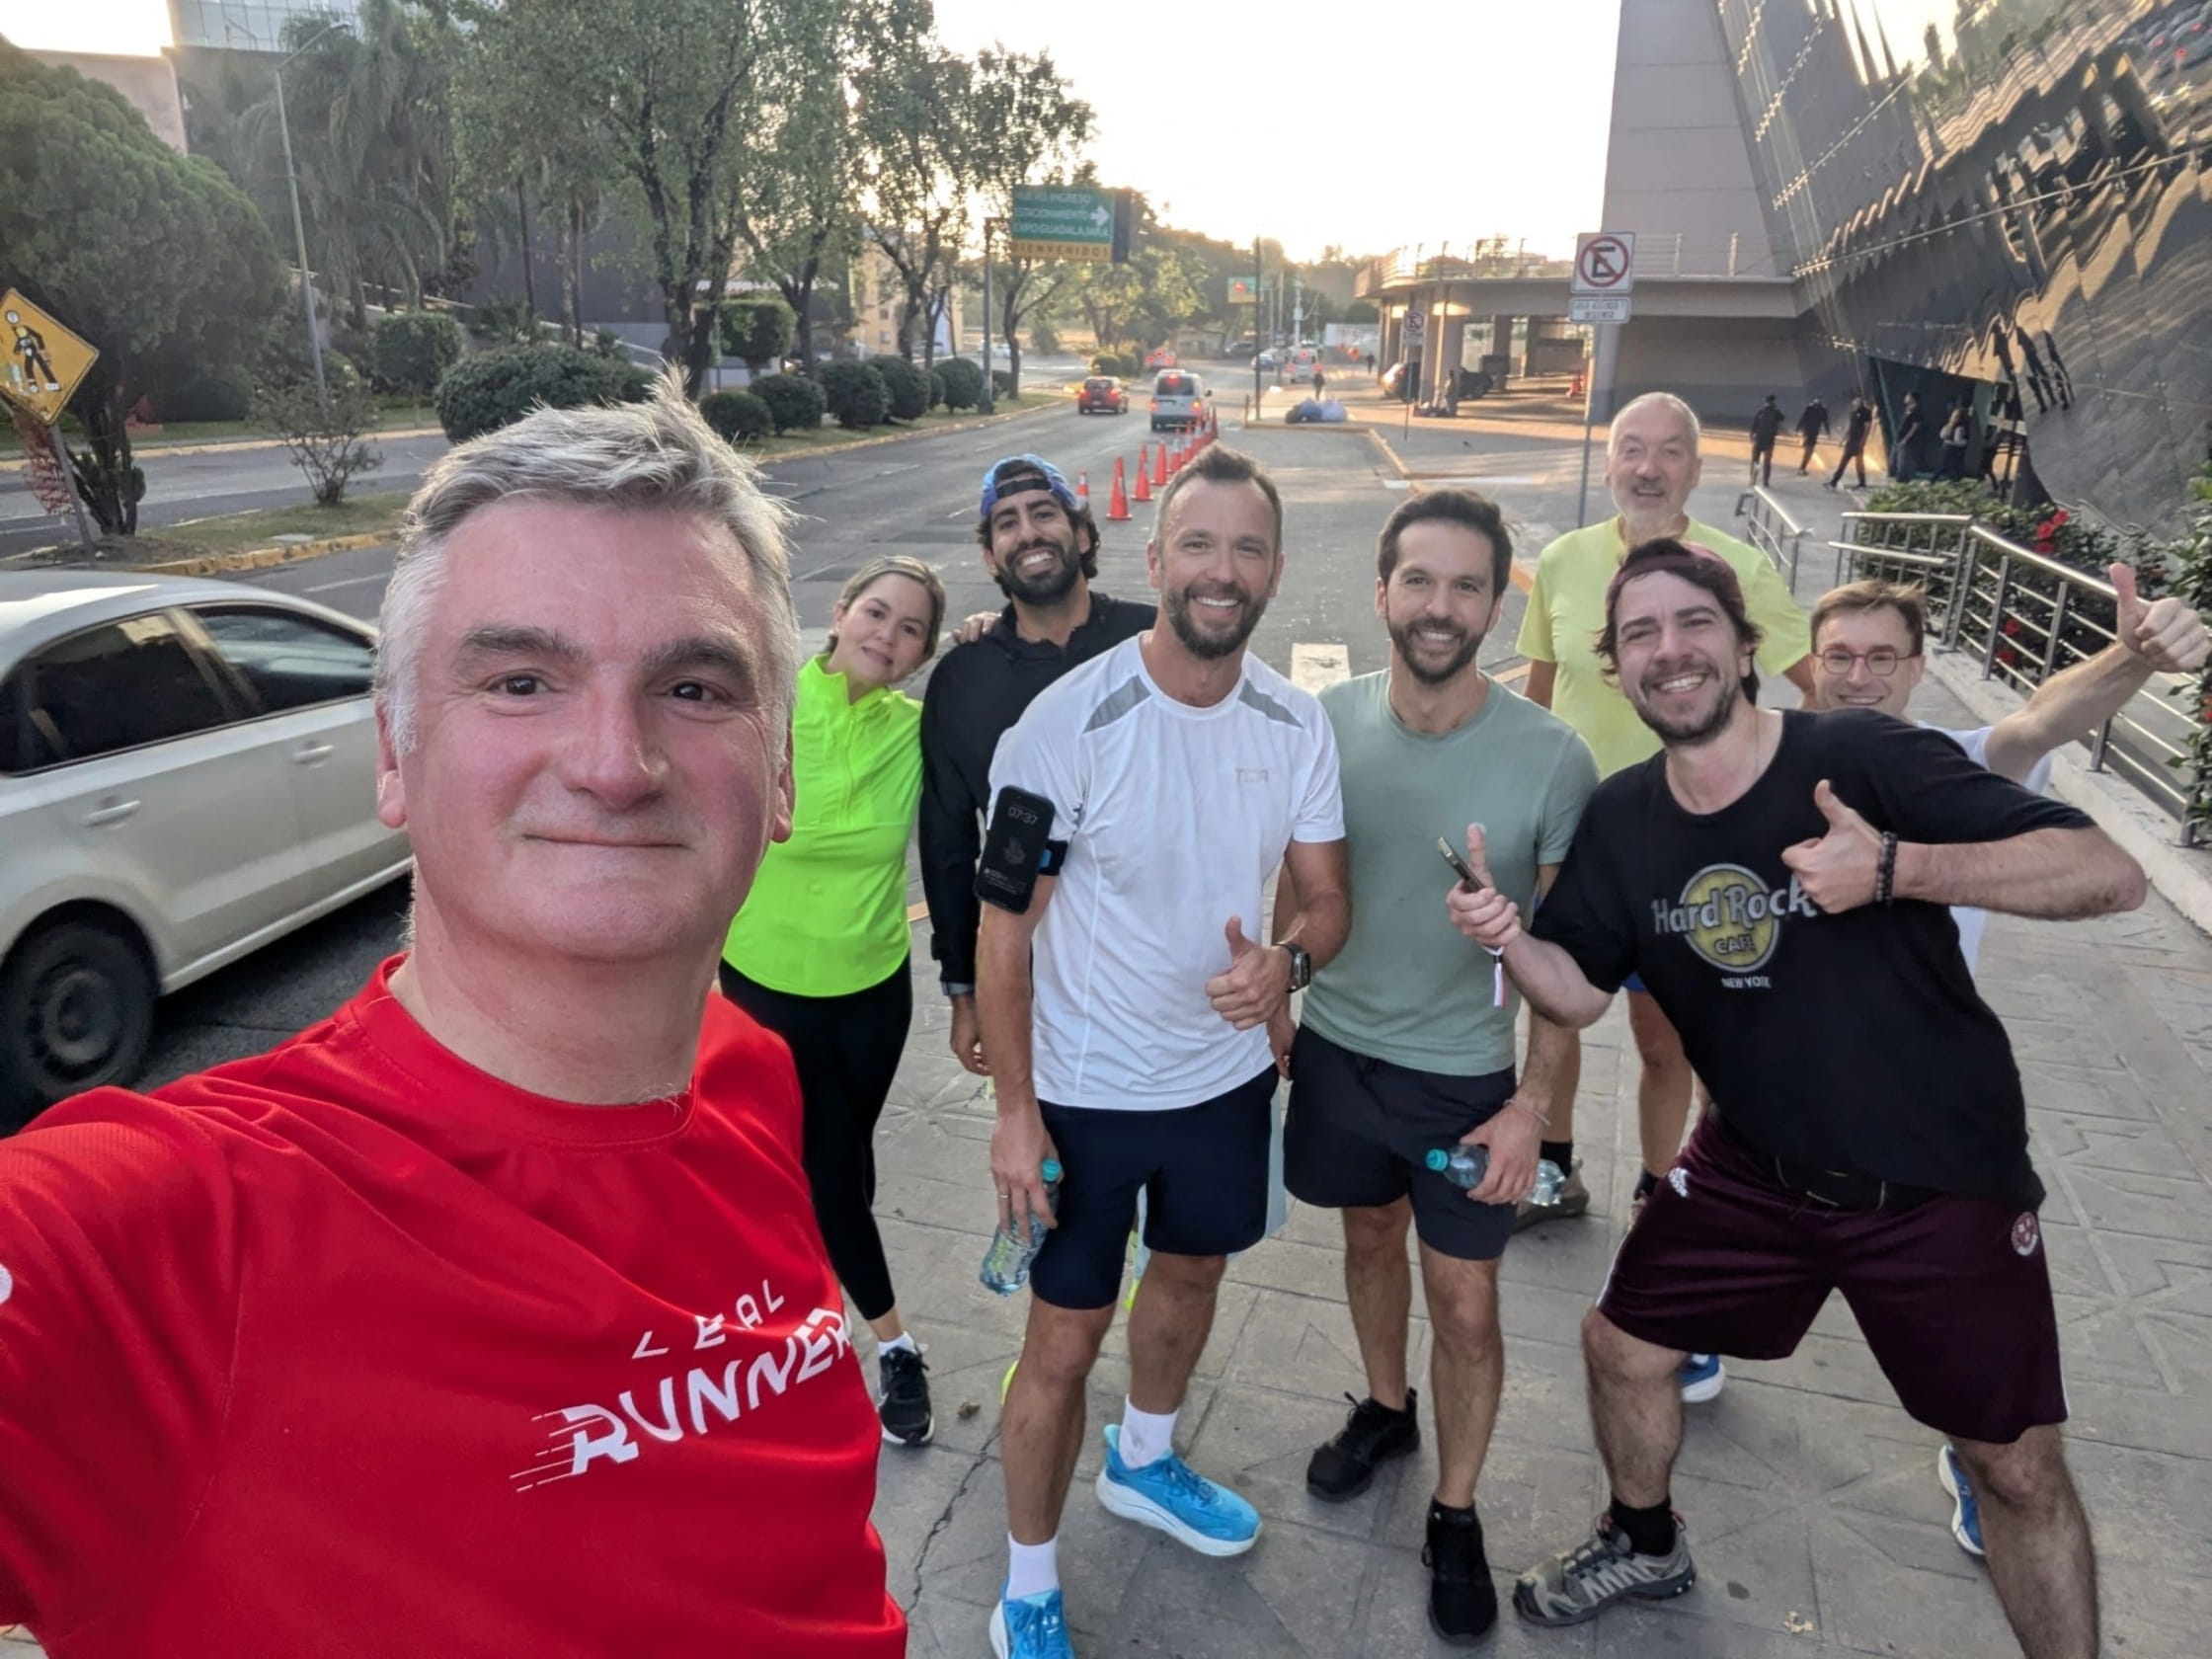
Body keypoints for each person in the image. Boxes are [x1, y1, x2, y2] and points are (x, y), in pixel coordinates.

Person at [0, 381, 906, 1655]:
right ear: (391, 750)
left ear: (782, 776)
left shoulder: (746, 1076)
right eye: (522, 679)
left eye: (695, 689)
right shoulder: (166, 1228)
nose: (611, 760)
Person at [1450, 538, 2145, 1657]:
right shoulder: (1625, 821)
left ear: (1741, 647)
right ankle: (1643, 1538)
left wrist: (1896, 871)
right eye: (1639, 634)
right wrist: (1506, 936)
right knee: (1620, 1348)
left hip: (1935, 1178)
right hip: (1749, 1165)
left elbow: (2106, 873)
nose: (1667, 651)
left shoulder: (1859, 755)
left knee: (2011, 1464)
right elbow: (1573, 994)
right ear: (1615, 666)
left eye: (1690, 625)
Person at [978, 445, 1350, 1659]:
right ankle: (1027, 1580)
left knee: (1192, 1281)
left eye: (1246, 548)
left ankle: (1142, 1461)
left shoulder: (1295, 724)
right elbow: (1002, 932)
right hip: (1084, 1097)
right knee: (1062, 1340)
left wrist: (1284, 965)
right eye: (1198, 544)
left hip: (1224, 1086)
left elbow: (1325, 904)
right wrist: (1016, 1118)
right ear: (1152, 559)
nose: (1221, 570)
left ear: (1275, 571)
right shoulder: (1063, 725)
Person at [1806, 573, 2207, 1559]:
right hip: (1775, 1094)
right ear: (1809, 665)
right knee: (1697, 1264)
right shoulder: (1769, 761)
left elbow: (2039, 720)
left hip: (1927, 1111)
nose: (1859, 676)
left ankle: (1978, 1453)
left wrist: (2134, 657)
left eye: (1881, 657)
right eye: (1839, 656)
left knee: (1962, 1322)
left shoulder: (1955, 766)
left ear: (1915, 667)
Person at [1278, 490, 1597, 1643]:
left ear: (1495, 603)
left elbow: (1568, 964)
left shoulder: (1552, 757)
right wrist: (1278, 996)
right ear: (1380, 593)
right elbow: (1295, 875)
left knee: (1464, 1303)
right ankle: (1384, 1408)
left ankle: (1454, 1512)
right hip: (1338, 1054)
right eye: (1418, 580)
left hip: (1467, 1080)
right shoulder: (1324, 720)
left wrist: (1531, 1107)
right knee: (1364, 1238)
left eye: (1467, 585)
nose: (1439, 605)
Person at [1516, 393, 1814, 1355]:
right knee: (1552, 1016)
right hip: (1571, 841)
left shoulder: (1742, 572)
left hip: (1686, 848)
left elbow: (1810, 694)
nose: (1647, 467)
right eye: (1630, 450)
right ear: (1609, 463)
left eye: (1669, 452)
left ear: (1697, 467)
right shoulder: (1563, 563)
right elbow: (1533, 696)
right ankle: (1550, 1170)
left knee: (1665, 1042)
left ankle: (1665, 1195)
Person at [720, 553, 947, 1447]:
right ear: (841, 611)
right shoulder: (770, 709)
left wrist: (978, 642)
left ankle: (817, 1303)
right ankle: (896, 1346)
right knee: (823, 1166)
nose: (887, 636)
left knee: (845, 1165)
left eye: (912, 629)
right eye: (877, 613)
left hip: (875, 989)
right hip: (767, 986)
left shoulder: (917, 731)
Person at [919, 454, 1153, 1077]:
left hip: (1169, 974)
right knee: (1049, 1169)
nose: (1027, 533)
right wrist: (962, 989)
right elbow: (948, 844)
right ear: (992, 557)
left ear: (1080, 534)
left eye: (1044, 514)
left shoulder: (1156, 642)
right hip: (1032, 992)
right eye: (1007, 523)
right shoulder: (963, 678)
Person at [1828, 394, 1874, 489]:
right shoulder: (1852, 412)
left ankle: (1861, 483)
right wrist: (1843, 439)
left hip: (1858, 441)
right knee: (1843, 462)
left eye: (1859, 401)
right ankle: (1834, 482)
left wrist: (1863, 441)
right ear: (1853, 402)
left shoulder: (1866, 412)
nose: (1857, 403)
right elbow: (1850, 427)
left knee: (1859, 463)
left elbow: (1868, 427)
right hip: (1850, 441)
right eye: (1856, 401)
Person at [1747, 394, 1783, 486]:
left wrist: (1751, 435)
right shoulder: (1763, 412)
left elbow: (1782, 418)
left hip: (1763, 440)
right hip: (1765, 440)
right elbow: (1755, 424)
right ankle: (1760, 480)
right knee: (1761, 461)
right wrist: (1751, 435)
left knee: (1759, 461)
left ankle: (1758, 480)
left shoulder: (1769, 412)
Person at [1891, 390, 1927, 480]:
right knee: (1896, 461)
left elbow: (1914, 427)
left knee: (1904, 462)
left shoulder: (1917, 410)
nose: (1905, 398)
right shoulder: (1907, 409)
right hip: (1899, 438)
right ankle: (1899, 477)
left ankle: (1904, 480)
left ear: (1912, 398)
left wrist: (1905, 439)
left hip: (1908, 441)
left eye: (1907, 396)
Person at [1938, 400, 1974, 479]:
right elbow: (1958, 441)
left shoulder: (1950, 426)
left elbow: (1942, 435)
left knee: (1943, 466)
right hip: (1953, 450)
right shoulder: (1959, 428)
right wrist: (1965, 442)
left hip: (1946, 448)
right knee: (1951, 467)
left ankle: (1934, 480)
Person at [1794, 396, 1829, 473]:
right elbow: (1802, 419)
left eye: (1819, 399)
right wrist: (1797, 429)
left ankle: (1802, 467)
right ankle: (1802, 468)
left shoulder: (1822, 410)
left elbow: (1825, 421)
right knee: (1809, 450)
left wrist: (1828, 432)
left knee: (1809, 450)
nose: (1818, 401)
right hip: (1808, 431)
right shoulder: (1810, 408)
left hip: (1813, 432)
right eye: (1817, 399)